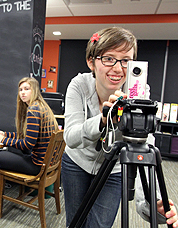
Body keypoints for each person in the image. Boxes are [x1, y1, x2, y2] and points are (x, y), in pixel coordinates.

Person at [61, 26, 178, 227]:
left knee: (99, 225)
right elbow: (71, 137)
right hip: (77, 162)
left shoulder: (138, 90)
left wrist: (153, 201)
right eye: (108, 58)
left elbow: (144, 145)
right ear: (91, 61)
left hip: (113, 168)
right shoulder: (79, 85)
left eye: (126, 60)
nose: (118, 68)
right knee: (75, 221)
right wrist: (103, 120)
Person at [0, 77, 59, 176]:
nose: (23, 92)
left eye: (27, 89)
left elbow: (28, 145)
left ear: (34, 90)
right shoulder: (41, 106)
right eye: (20, 90)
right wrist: (4, 134)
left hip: (38, 166)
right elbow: (27, 136)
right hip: (48, 164)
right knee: (14, 153)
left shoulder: (33, 110)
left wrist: (3, 140)